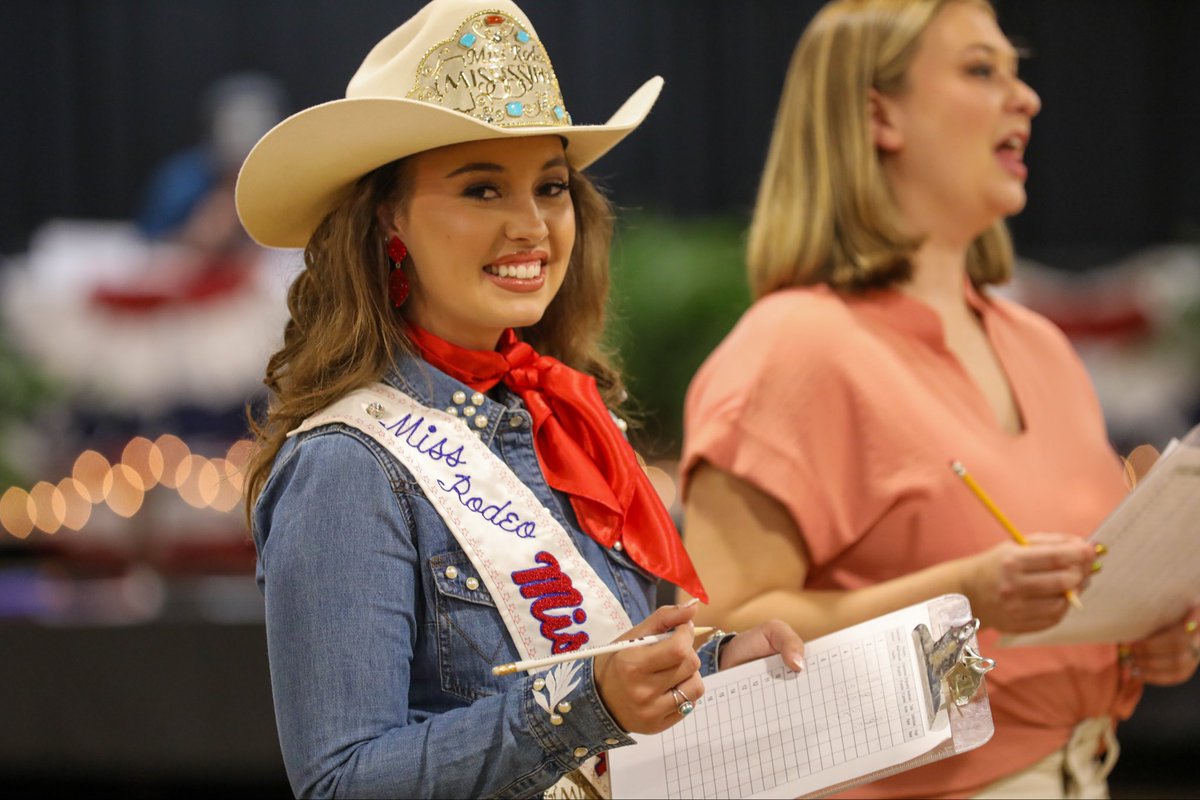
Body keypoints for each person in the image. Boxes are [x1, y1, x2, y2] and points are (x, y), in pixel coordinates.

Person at [235, 1, 804, 797]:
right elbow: (342, 782)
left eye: (552, 187)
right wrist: (587, 707)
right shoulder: (345, 466)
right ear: (389, 218)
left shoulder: (572, 418)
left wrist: (710, 667)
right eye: (481, 190)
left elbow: (602, 680)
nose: (531, 226)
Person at [679, 1, 1200, 798]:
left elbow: (1066, 611)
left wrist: (1142, 636)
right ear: (877, 113)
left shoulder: (1040, 344)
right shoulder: (792, 346)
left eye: (1017, 71)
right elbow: (723, 634)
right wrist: (966, 595)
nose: (1026, 98)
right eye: (982, 70)